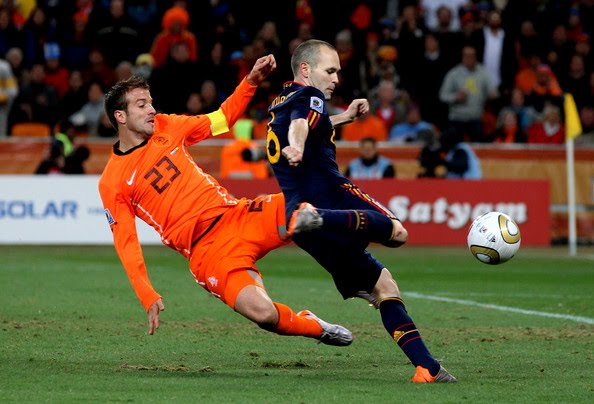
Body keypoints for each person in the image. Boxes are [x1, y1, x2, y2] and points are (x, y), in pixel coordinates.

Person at [98, 54, 352, 348]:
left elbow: (221, 120)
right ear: (121, 117)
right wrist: (147, 294)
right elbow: (126, 243)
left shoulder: (168, 126)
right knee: (264, 314)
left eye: (151, 102)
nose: (152, 110)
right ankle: (313, 326)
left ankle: (372, 279)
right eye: (142, 105)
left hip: (238, 216)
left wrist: (250, 81)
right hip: (209, 253)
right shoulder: (112, 181)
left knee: (315, 201)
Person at [266, 39, 456, 383]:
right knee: (398, 232)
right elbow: (301, 125)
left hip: (300, 224)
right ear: (306, 69)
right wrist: (297, 145)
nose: (336, 78)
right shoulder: (310, 96)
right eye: (330, 70)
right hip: (328, 198)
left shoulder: (282, 101)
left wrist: (345, 118)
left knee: (383, 286)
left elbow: (308, 120)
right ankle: (319, 217)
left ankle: (427, 368)